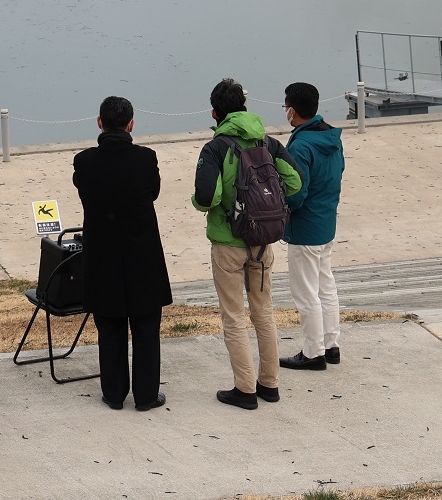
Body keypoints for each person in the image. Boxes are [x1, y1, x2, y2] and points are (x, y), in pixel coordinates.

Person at [191, 77, 301, 410]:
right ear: (245, 106)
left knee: (234, 316)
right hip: (263, 242)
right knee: (264, 312)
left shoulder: (215, 148)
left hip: (228, 243)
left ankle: (244, 389)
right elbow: (294, 182)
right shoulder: (267, 143)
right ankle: (270, 384)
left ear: (214, 113)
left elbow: (208, 197)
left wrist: (201, 204)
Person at [73, 95, 170, 411]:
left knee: (110, 328)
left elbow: (85, 191)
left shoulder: (84, 161)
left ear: (99, 123)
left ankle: (114, 394)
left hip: (103, 255)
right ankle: (146, 395)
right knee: (145, 329)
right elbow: (152, 192)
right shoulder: (145, 158)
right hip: (142, 253)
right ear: (131, 124)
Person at [278, 82, 345, 372]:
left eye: (285, 107)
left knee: (305, 293)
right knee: (325, 287)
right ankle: (331, 345)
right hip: (326, 221)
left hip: (305, 228)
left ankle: (313, 352)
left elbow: (297, 190)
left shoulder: (301, 144)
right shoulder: (331, 136)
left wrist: (282, 211)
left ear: (292, 110)